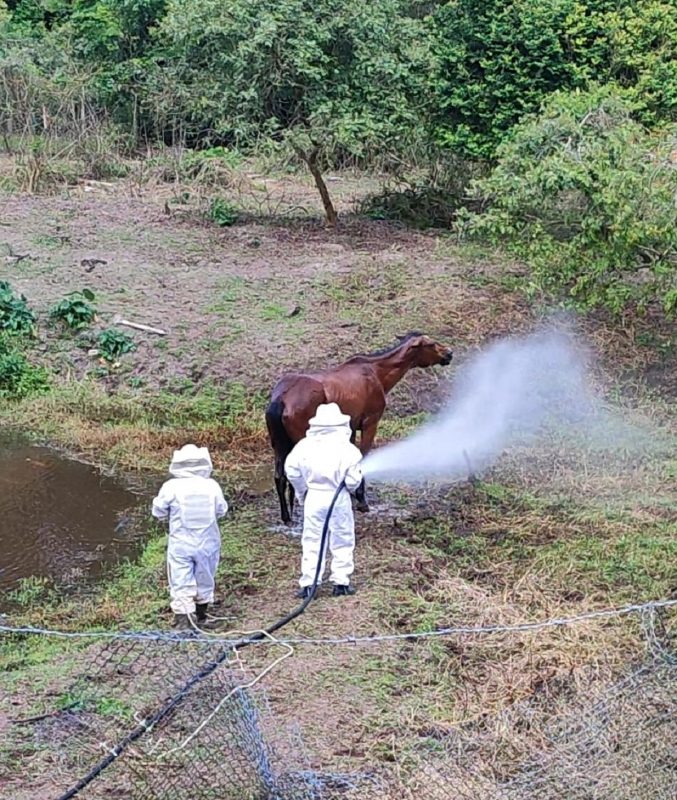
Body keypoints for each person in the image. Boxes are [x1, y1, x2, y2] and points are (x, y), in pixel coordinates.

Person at [285, 403, 363, 598]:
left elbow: (292, 471)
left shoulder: (303, 446)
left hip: (314, 497)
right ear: (341, 425)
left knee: (312, 540)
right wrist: (349, 488)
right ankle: (341, 582)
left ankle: (309, 585)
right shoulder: (348, 449)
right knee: (343, 538)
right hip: (338, 498)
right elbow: (354, 481)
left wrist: (303, 492)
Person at [152, 444, 228, 629]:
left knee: (180, 579)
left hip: (181, 543)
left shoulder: (170, 487)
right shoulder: (212, 485)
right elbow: (222, 510)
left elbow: (158, 511)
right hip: (208, 542)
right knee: (205, 577)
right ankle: (201, 616)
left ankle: (184, 624)